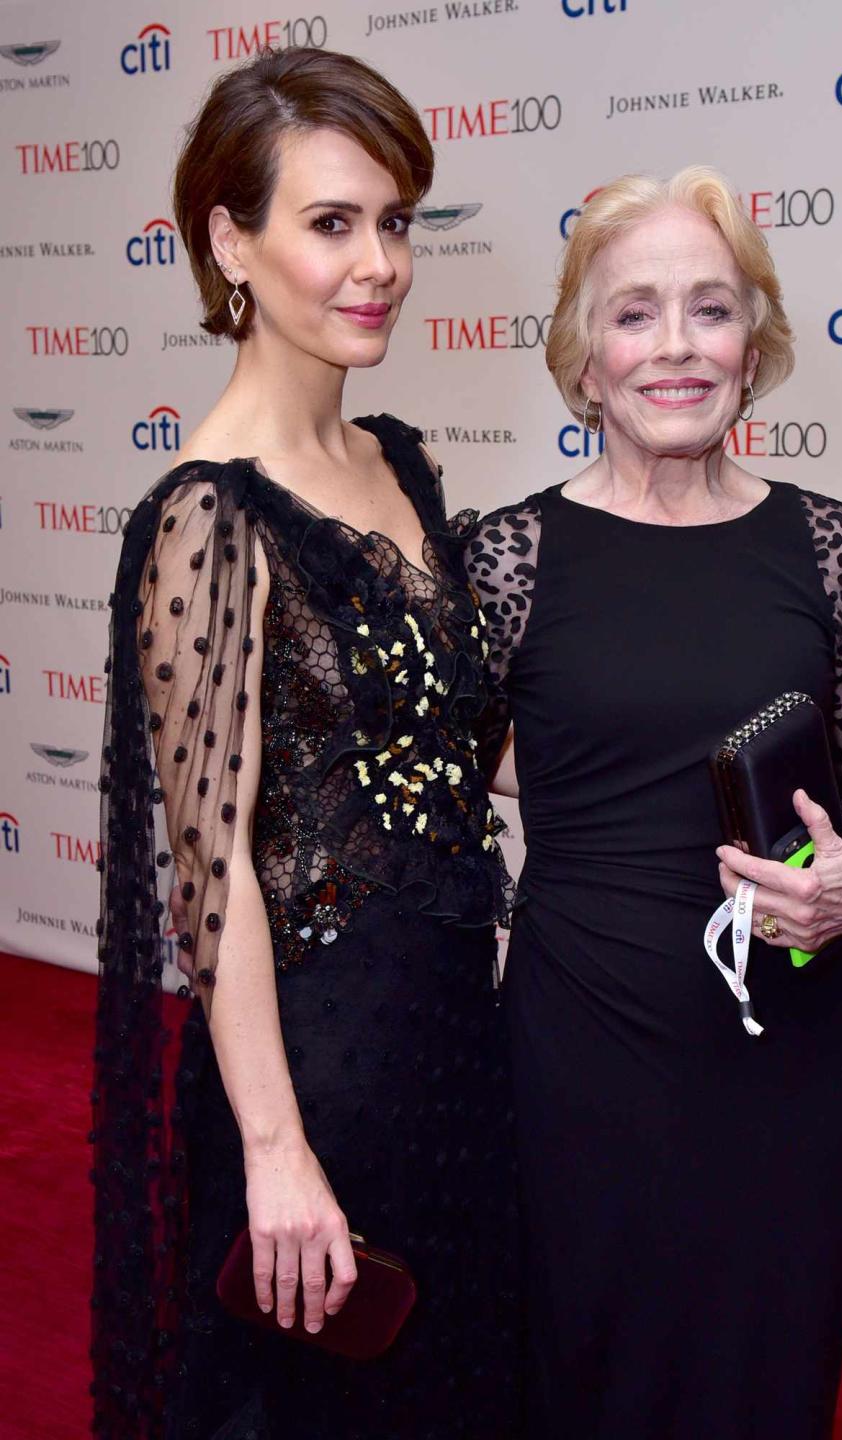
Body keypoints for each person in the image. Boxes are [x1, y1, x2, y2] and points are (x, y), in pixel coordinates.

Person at [92, 47, 520, 1440]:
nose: (378, 262)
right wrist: (277, 1157)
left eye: (393, 222)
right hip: (319, 1074)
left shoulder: (395, 456)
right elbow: (214, 883)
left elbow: (455, 744)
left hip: (459, 1042)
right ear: (232, 240)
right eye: (331, 223)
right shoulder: (206, 522)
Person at [467, 167, 842, 1440]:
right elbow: (463, 777)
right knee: (575, 1371)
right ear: (584, 357)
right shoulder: (511, 555)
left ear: (754, 344)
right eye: (635, 313)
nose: (675, 346)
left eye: (710, 311)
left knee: (761, 1376)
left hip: (788, 1056)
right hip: (576, 1055)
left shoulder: (832, 548)